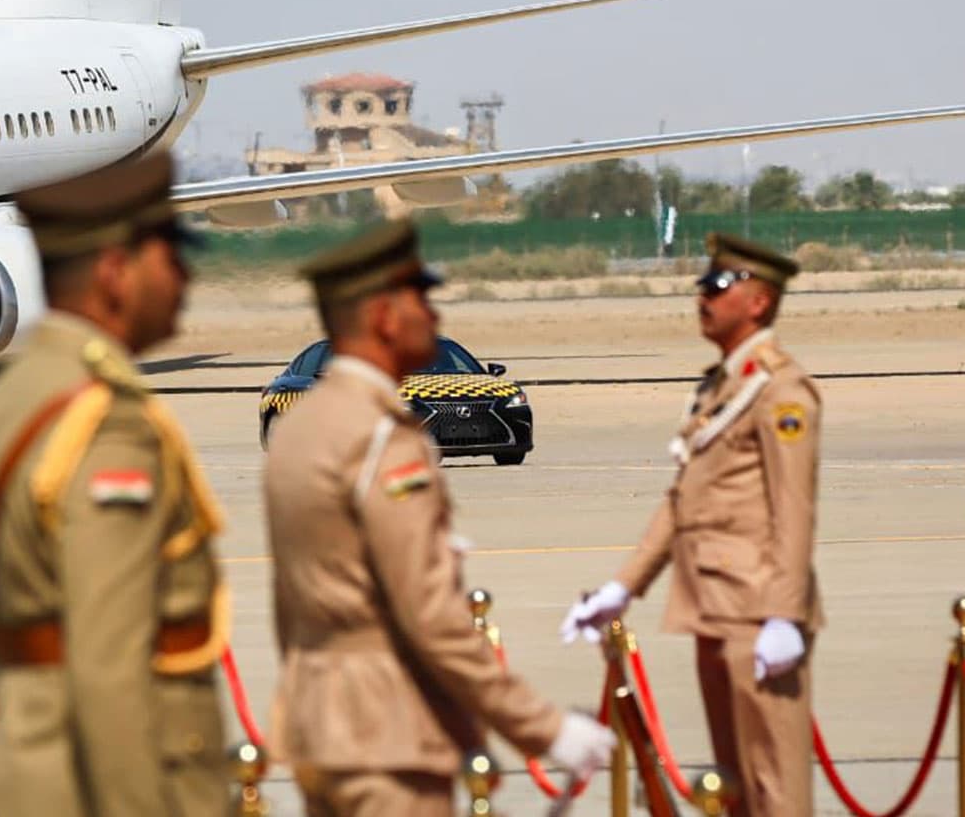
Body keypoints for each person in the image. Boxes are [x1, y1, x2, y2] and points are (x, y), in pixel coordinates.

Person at [265, 220, 612, 816]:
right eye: (418, 299)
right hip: (391, 734)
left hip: (317, 725)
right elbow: (431, 618)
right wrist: (545, 730)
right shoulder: (383, 441)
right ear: (381, 316)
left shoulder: (300, 433)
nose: (433, 315)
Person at [0, 151, 228, 817]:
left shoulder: (22, 393)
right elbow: (108, 670)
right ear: (116, 273)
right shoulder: (104, 424)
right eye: (171, 256)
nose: (187, 276)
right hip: (96, 785)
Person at [559, 232, 822, 817]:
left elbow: (794, 508)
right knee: (733, 789)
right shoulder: (719, 388)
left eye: (718, 284)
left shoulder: (781, 391)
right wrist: (622, 587)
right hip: (713, 608)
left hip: (758, 614)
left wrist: (785, 614)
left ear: (758, 302)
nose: (702, 295)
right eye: (702, 283)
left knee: (776, 789)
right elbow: (683, 503)